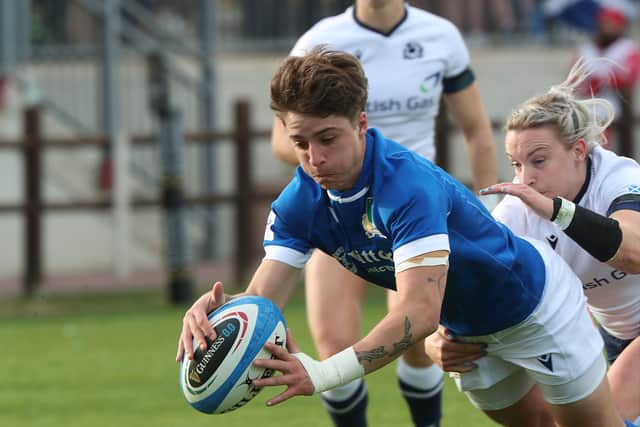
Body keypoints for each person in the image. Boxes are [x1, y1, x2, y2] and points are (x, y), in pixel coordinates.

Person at [177, 48, 636, 427]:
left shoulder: (406, 187)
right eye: (301, 143)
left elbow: (417, 311)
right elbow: (263, 297)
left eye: (328, 138)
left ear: (360, 123)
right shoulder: (299, 202)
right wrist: (221, 320)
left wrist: (324, 373)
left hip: (535, 308)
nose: (315, 158)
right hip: (466, 334)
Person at [269, 2, 497, 426]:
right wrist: (330, 150)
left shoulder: (440, 35)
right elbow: (284, 138)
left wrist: (491, 207)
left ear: (361, 120)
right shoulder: (321, 39)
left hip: (414, 213)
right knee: (334, 344)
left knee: (414, 334)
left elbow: (476, 130)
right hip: (341, 209)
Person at [424, 58, 640, 424]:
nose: (526, 179)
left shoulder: (618, 177)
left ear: (578, 152)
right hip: (616, 336)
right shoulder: (514, 214)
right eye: (516, 165)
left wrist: (559, 212)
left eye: (538, 161)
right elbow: (456, 289)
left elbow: (633, 252)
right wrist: (436, 342)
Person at [572, 6, 640, 150]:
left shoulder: (627, 48)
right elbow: (573, 79)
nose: (607, 27)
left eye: (611, 24)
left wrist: (604, 79)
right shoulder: (586, 49)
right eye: (604, 23)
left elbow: (629, 76)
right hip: (587, 100)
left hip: (617, 101)